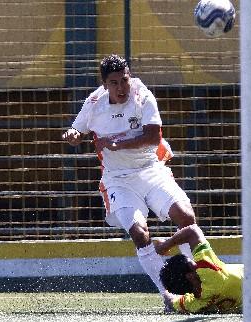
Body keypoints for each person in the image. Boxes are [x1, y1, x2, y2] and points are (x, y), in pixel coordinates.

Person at [63, 54, 195, 299]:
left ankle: (200, 280)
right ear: (105, 85)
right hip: (119, 180)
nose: (121, 87)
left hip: (151, 170)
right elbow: (77, 130)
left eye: (124, 80)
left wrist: (116, 144)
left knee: (186, 216)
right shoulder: (94, 103)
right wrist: (72, 135)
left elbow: (154, 137)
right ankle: (168, 295)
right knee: (139, 233)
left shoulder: (142, 96)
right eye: (114, 83)